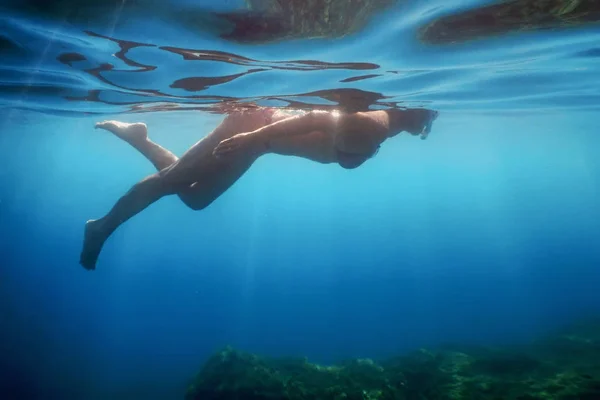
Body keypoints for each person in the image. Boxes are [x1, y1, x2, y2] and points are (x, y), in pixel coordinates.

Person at [80, 107, 438, 270]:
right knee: (171, 182)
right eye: (349, 156)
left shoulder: (399, 123)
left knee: (196, 197)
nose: (351, 163)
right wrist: (250, 135)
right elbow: (316, 118)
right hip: (253, 125)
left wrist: (425, 121)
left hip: (258, 142)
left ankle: (139, 138)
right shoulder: (370, 125)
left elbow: (414, 118)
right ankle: (100, 228)